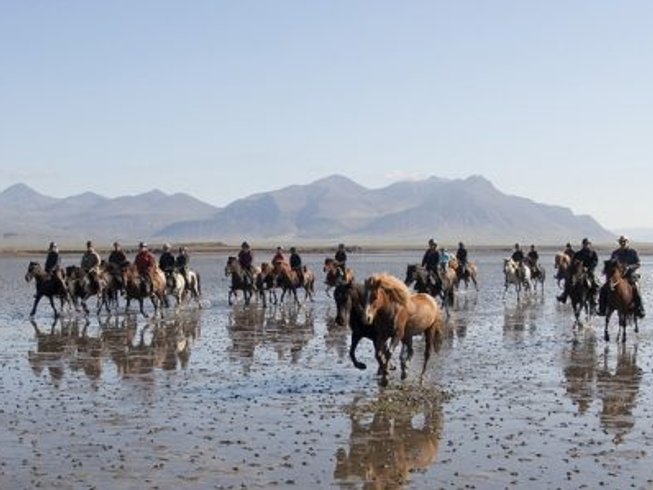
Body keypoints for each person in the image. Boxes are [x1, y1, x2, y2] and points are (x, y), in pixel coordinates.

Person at [598, 235, 645, 318]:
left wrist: (629, 267)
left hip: (630, 275)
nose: (623, 243)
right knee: (603, 289)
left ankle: (640, 309)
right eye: (621, 242)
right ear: (619, 243)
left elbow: (638, 264)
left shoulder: (633, 252)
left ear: (627, 242)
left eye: (624, 241)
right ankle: (602, 309)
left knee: (636, 288)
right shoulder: (615, 253)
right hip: (617, 276)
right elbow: (611, 265)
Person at [557, 238, 598, 306]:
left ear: (589, 245)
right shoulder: (578, 253)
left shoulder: (593, 253)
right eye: (585, 244)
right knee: (568, 281)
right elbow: (572, 262)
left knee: (594, 282)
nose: (586, 245)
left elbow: (595, 262)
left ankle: (594, 298)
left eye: (587, 244)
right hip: (578, 272)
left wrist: (588, 268)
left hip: (589, 271)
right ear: (583, 245)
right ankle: (564, 296)